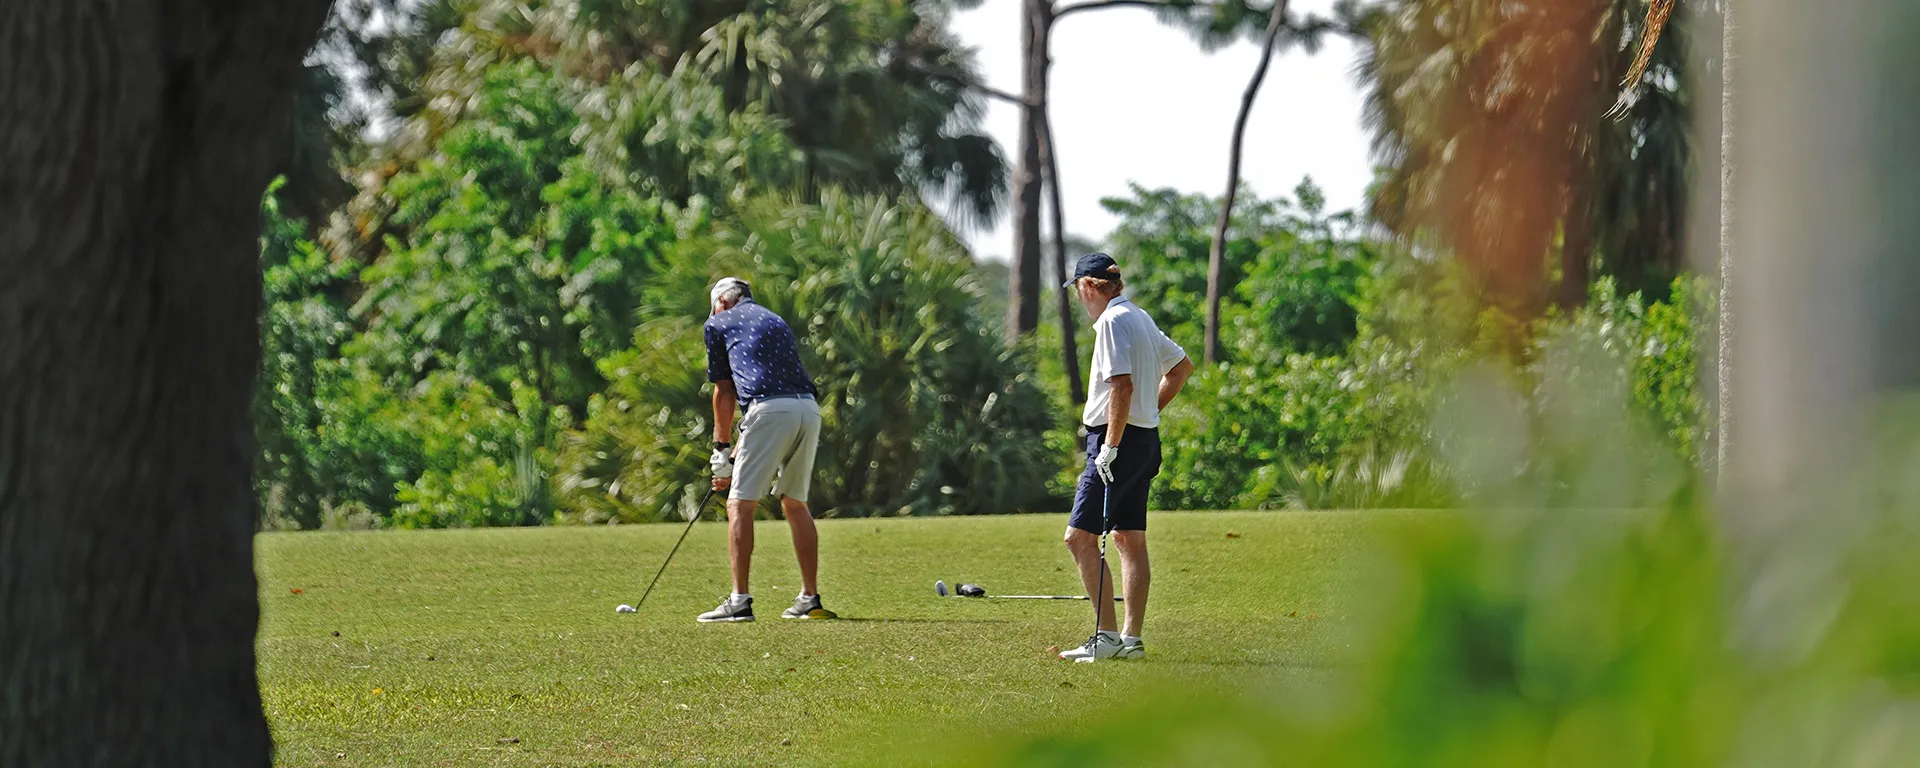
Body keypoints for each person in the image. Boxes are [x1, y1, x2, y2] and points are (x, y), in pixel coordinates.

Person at [1056, 253, 1194, 662]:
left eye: (1078, 290)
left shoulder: (1113, 322)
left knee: (1078, 539)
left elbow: (1121, 385)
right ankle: (1130, 641)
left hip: (1115, 444)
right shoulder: (1139, 316)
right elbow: (1181, 368)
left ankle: (1107, 636)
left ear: (1089, 287)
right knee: (1128, 538)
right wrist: (1146, 417)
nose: (1079, 299)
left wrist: (1112, 444)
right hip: (1144, 441)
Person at [699, 277, 835, 623]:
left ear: (723, 302)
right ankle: (809, 598)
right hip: (807, 409)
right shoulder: (774, 319)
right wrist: (733, 455)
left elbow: (726, 392)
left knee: (739, 504)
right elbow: (765, 393)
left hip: (769, 411)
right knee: (795, 502)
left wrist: (720, 448)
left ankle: (739, 602)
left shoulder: (717, 323)